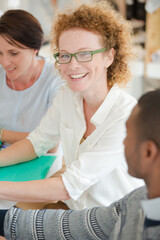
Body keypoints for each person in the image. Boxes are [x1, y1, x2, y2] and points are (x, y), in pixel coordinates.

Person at [0, 1, 143, 210]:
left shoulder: (125, 115)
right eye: (65, 55)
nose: (72, 65)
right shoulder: (68, 96)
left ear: (109, 56)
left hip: (113, 222)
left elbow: (69, 185)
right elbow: (37, 143)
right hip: (75, 209)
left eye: (85, 54)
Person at [0, 89, 160, 239]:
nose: (123, 142)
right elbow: (83, 224)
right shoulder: (136, 200)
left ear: (148, 152)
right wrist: (5, 221)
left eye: (128, 136)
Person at [0, 9, 61, 145]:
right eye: (0, 53)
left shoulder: (55, 80)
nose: (4, 62)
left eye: (14, 53)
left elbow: (51, 142)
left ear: (35, 49)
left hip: (41, 163)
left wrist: (1, 134)